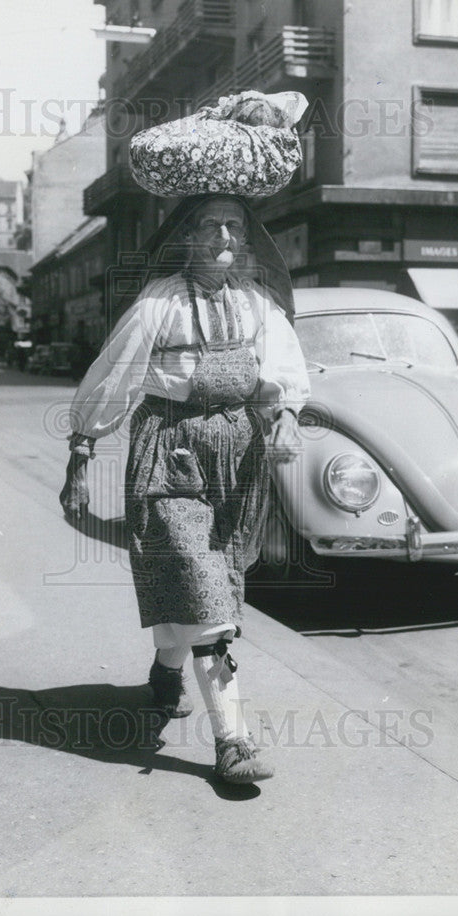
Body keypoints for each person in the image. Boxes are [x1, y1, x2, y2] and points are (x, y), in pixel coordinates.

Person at [60, 194, 311, 784]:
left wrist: (286, 415)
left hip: (238, 451)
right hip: (170, 449)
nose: (225, 235)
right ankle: (233, 740)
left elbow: (286, 372)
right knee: (199, 579)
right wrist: (81, 450)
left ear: (247, 240)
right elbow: (114, 373)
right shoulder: (159, 301)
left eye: (235, 226)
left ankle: (167, 667)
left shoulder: (259, 304)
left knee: (214, 575)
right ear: (187, 237)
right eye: (210, 225)